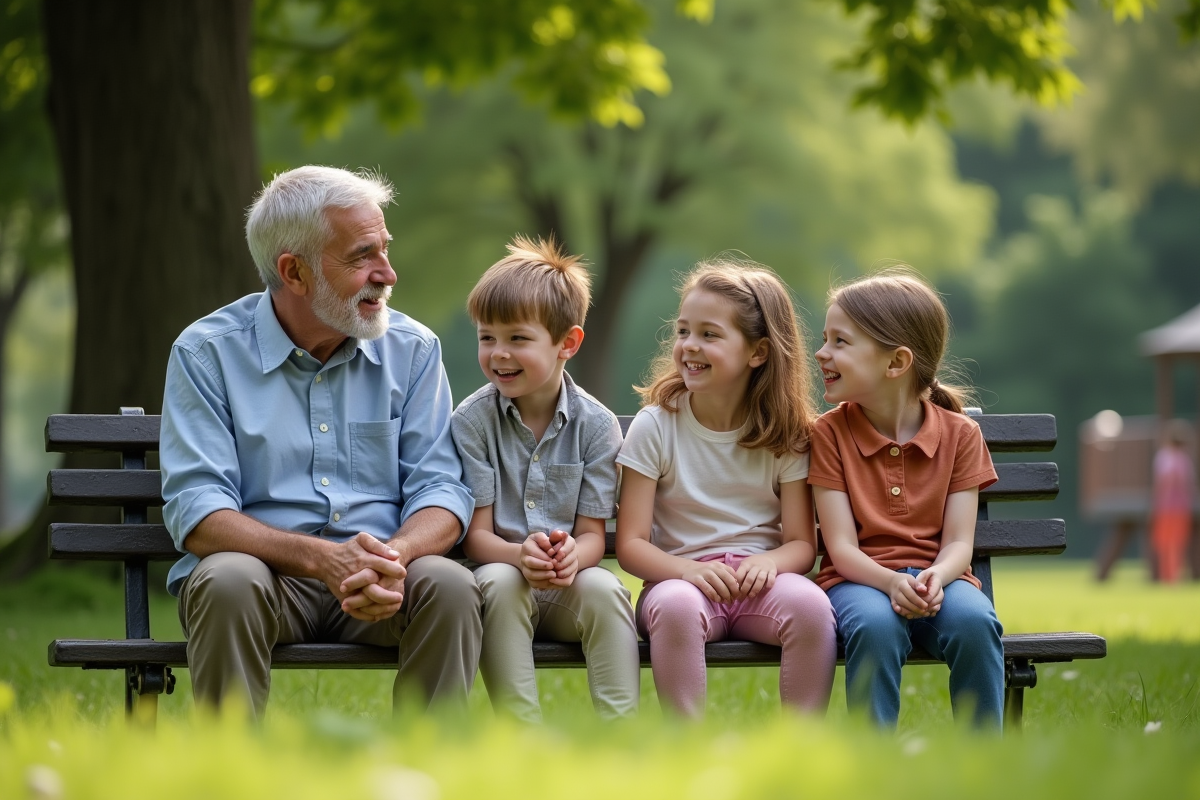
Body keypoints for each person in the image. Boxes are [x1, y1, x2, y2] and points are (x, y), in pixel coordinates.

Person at [160, 166, 481, 719]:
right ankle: (229, 761)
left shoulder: (414, 349)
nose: (388, 273)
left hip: (385, 578)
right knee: (226, 580)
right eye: (362, 257)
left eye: (385, 248)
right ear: (295, 272)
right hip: (264, 578)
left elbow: (442, 490)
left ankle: (428, 761)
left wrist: (395, 557)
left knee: (450, 586)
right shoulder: (206, 353)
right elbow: (199, 513)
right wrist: (322, 559)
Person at [615, 259, 836, 718]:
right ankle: (687, 744)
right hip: (679, 583)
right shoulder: (656, 426)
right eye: (683, 331)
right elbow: (631, 544)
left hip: (762, 583)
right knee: (677, 608)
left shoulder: (786, 434)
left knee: (812, 608)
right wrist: (686, 571)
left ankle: (802, 743)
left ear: (758, 352)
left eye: (709, 334)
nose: (689, 345)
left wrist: (768, 563)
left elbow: (801, 543)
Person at [451, 235, 639, 722]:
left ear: (567, 344)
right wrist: (519, 556)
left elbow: (592, 535)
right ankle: (522, 733)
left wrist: (573, 556)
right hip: (502, 575)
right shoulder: (472, 422)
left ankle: (621, 730)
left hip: (567, 584)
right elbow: (477, 537)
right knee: (498, 582)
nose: (499, 354)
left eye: (517, 338)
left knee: (605, 590)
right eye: (486, 338)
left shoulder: (596, 426)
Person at [809, 269, 1002, 729]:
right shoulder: (829, 434)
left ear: (895, 362)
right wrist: (891, 582)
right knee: (875, 626)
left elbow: (959, 543)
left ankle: (986, 757)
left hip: (941, 582)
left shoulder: (961, 435)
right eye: (825, 339)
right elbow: (841, 549)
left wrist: (936, 577)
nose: (821, 352)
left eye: (840, 342)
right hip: (857, 581)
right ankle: (875, 759)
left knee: (976, 624)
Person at [1151, 419, 1195, 583]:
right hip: (1180, 507)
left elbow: (1161, 484)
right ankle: (1174, 576)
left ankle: (1168, 576)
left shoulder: (1163, 457)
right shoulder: (1184, 459)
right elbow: (1186, 485)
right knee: (1177, 542)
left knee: (1166, 542)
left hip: (1165, 507)